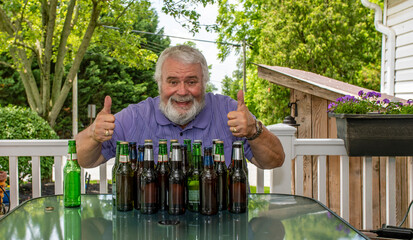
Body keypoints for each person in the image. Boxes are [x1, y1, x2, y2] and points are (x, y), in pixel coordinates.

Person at [76, 45, 284, 170]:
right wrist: (93, 134)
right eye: (173, 82)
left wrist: (254, 130)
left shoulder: (228, 110)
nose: (182, 91)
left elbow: (274, 161)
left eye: (191, 81)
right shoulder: (134, 116)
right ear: (159, 83)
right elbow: (84, 160)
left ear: (204, 83)